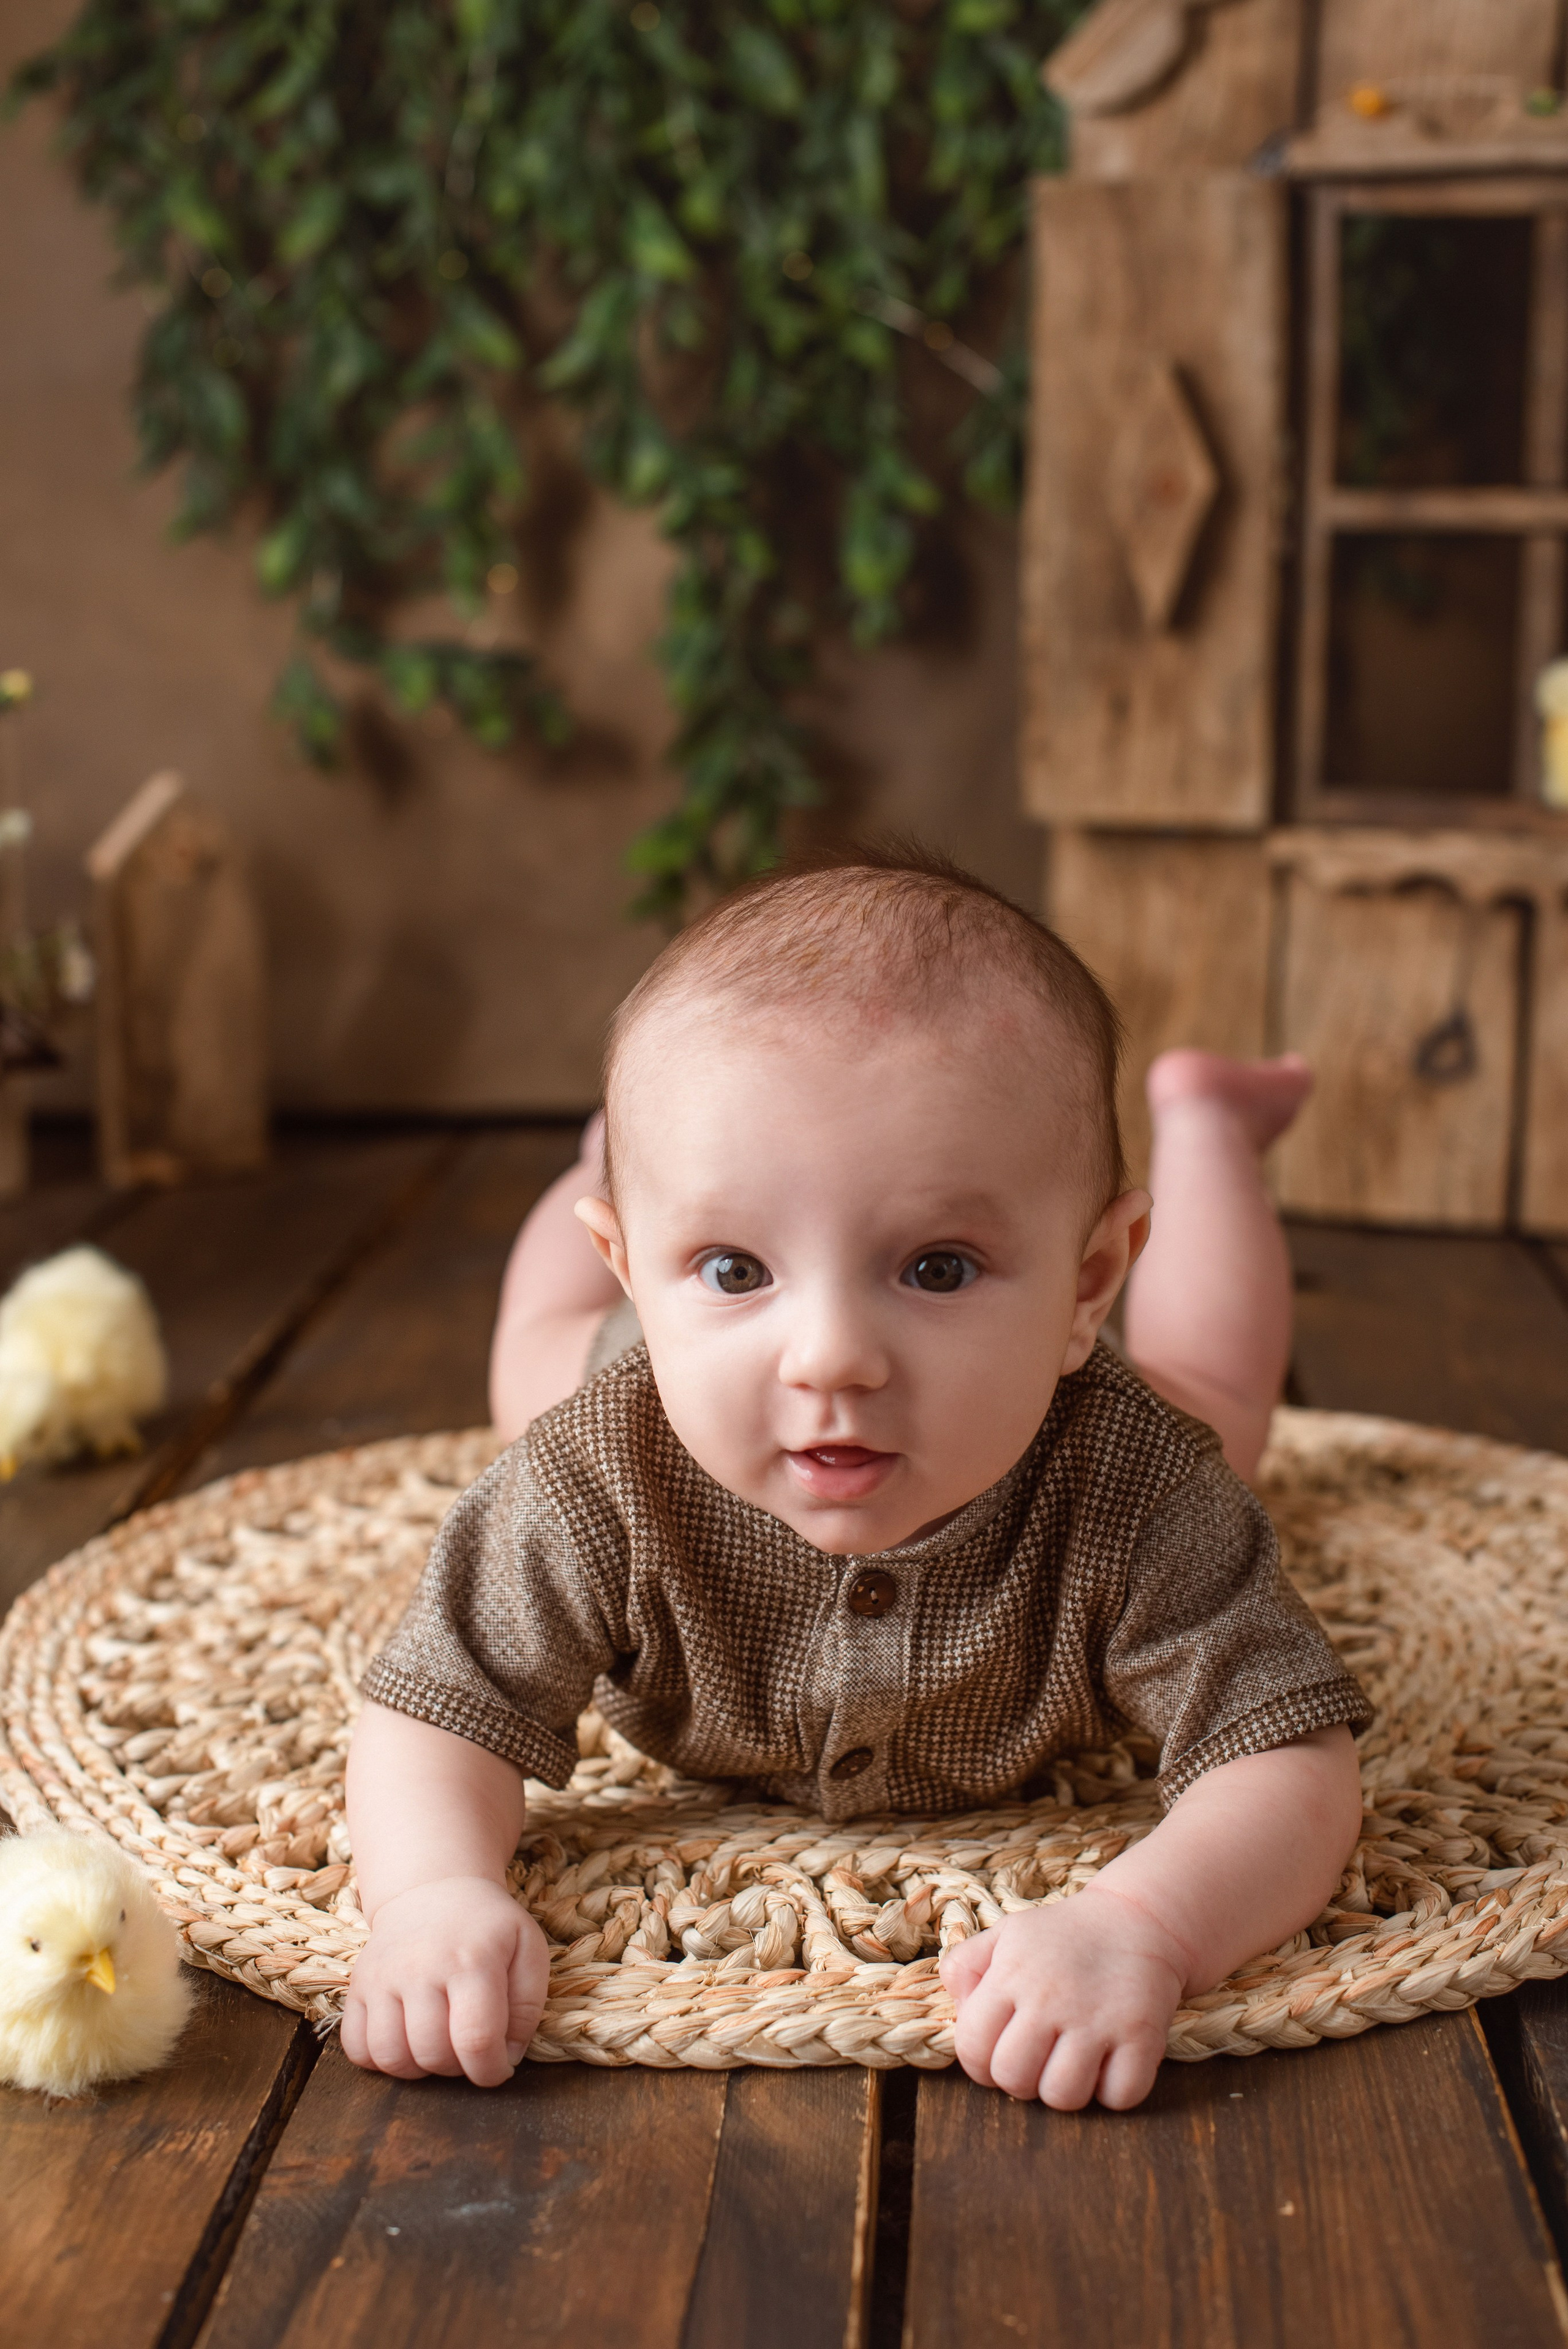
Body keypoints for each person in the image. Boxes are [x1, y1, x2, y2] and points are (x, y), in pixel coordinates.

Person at [342, 850, 1366, 2111]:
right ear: (632, 1264)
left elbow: (1290, 1766)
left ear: (1089, 1280)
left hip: (998, 1372)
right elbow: (435, 1706)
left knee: (1214, 1395)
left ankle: (1205, 1120)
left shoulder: (1131, 1487)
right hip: (648, 1362)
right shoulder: (595, 1471)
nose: (829, 1356)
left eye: (935, 1267)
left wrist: (1141, 1925)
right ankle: (617, 1161)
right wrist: (433, 1891)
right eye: (732, 1265)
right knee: (530, 1375)